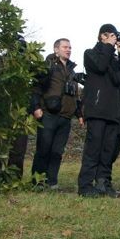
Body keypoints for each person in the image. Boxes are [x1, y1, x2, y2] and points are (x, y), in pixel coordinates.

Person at [78, 25, 120, 197]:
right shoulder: (90, 54)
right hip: (97, 109)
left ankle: (103, 184)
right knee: (93, 149)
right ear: (102, 36)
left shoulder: (113, 59)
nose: (114, 39)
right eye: (110, 36)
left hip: (112, 111)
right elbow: (100, 66)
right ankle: (85, 186)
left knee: (108, 151)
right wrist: (108, 46)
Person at [29, 38, 84, 190]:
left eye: (70, 47)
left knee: (57, 152)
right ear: (56, 49)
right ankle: (38, 182)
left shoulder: (72, 70)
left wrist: (79, 114)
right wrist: (35, 107)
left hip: (65, 117)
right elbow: (36, 87)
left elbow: (75, 94)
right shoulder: (48, 65)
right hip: (48, 114)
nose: (69, 50)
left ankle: (52, 182)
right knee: (43, 149)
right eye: (65, 47)